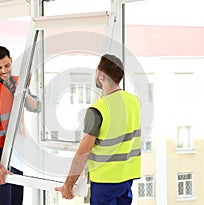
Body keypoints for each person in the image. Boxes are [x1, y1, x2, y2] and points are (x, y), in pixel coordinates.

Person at [55, 54, 141, 205]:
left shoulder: (97, 110)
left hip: (105, 181)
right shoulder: (134, 102)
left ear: (101, 77)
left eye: (96, 71)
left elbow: (83, 152)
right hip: (127, 178)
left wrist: (68, 185)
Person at [0, 46, 41, 205]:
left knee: (16, 198)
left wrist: (25, 93)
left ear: (11, 61)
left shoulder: (19, 82)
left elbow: (37, 107)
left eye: (6, 65)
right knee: (1, 199)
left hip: (18, 150)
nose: (4, 70)